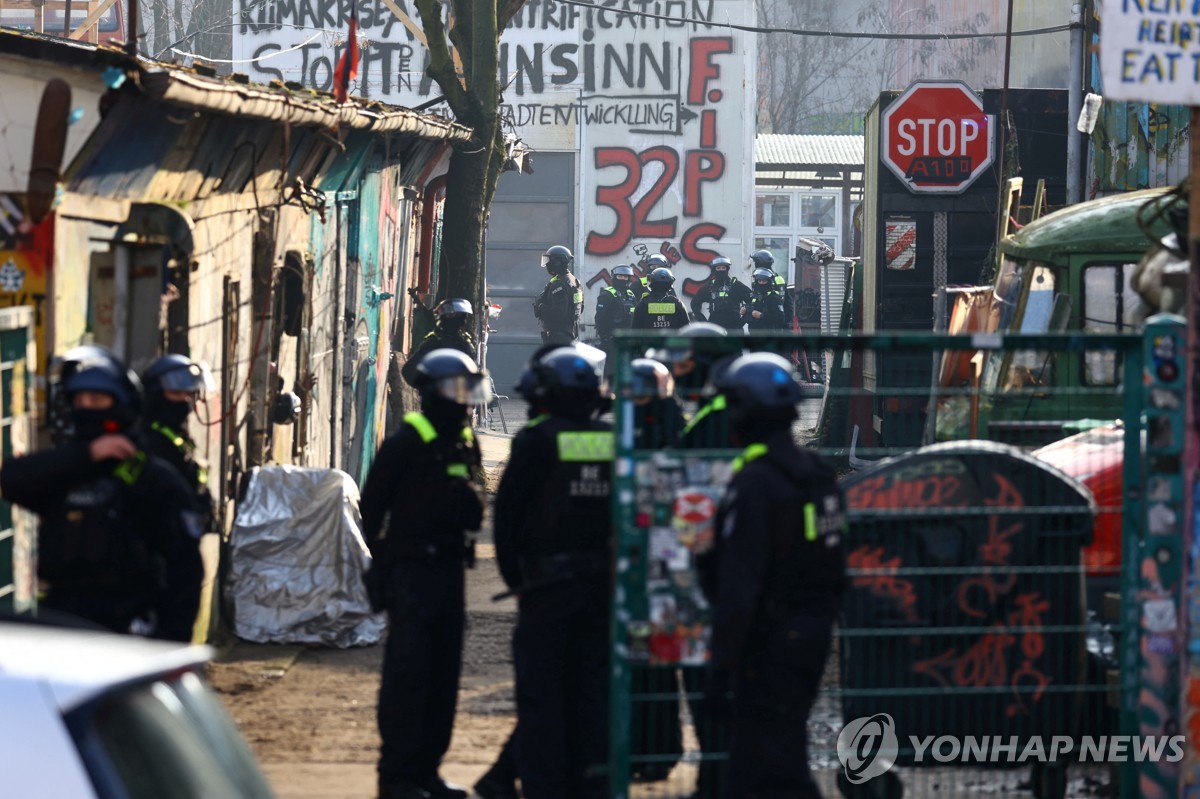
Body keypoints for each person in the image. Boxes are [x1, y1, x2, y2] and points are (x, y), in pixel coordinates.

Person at [696, 352, 847, 799]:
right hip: (811, 632)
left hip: (765, 640)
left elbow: (740, 583)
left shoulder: (756, 482)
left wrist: (722, 666)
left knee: (765, 768)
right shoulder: (817, 474)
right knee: (783, 748)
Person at [0, 346, 202, 641]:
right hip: (67, 627)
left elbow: (185, 571)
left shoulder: (152, 478)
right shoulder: (67, 473)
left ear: (120, 404)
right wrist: (87, 454)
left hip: (131, 627)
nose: (86, 408)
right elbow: (13, 478)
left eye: (96, 400)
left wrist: (172, 641)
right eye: (79, 401)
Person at [360, 348, 490, 799]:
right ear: (436, 394)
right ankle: (396, 778)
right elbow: (371, 507)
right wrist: (382, 566)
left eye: (471, 391)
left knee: (443, 676)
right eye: (460, 391)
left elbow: (474, 504)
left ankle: (426, 773)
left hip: (450, 570)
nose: (468, 401)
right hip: (411, 573)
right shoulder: (408, 441)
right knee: (409, 677)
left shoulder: (464, 439)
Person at [494, 347, 614, 799]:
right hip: (601, 588)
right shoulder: (609, 438)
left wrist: (518, 582)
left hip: (546, 589)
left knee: (544, 695)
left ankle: (543, 787)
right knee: (592, 691)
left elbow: (506, 521)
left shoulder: (536, 439)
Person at [139, 354, 217, 533]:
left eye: (188, 393)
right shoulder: (148, 437)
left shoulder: (175, 433)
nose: (184, 399)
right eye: (175, 393)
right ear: (156, 393)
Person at [401, 298, 477, 387]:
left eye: (463, 317)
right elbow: (408, 371)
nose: (463, 321)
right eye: (458, 317)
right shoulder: (434, 342)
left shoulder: (464, 342)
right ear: (446, 318)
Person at [594, 264, 646, 367]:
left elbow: (635, 317)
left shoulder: (630, 294)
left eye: (625, 277)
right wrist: (605, 338)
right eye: (620, 276)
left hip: (628, 341)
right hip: (612, 340)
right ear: (614, 277)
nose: (623, 279)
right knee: (612, 371)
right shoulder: (607, 295)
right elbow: (599, 319)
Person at [533, 245, 584, 345]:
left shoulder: (560, 284)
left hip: (559, 338)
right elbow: (580, 308)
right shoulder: (575, 281)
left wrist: (540, 306)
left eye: (549, 260)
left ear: (558, 261)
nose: (547, 264)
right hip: (571, 335)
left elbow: (558, 314)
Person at [690, 256, 751, 332]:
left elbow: (753, 300)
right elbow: (694, 304)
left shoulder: (736, 285)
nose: (721, 270)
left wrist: (742, 321)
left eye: (723, 268)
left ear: (727, 269)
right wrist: (704, 323)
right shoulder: (709, 287)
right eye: (718, 268)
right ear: (714, 269)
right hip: (714, 329)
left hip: (734, 329)